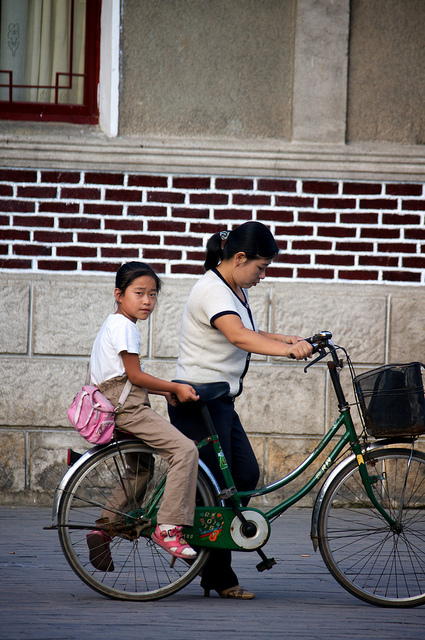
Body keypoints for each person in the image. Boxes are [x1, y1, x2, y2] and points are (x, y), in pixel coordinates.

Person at [168, 221, 313, 599]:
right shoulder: (211, 289)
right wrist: (286, 351)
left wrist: (288, 338)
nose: (262, 276)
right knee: (217, 491)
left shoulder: (232, 288)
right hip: (198, 403)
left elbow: (250, 330)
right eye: (260, 268)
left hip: (220, 402)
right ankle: (216, 571)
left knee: (245, 473)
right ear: (239, 257)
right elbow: (237, 335)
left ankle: (206, 554)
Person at [86, 261, 200, 571]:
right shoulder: (125, 327)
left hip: (113, 407)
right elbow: (134, 377)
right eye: (139, 293)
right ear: (118, 294)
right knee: (185, 450)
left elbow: (124, 375)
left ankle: (103, 528)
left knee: (141, 471)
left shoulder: (112, 324)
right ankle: (170, 528)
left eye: (152, 294)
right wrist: (174, 385)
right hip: (128, 411)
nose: (147, 301)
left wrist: (163, 391)